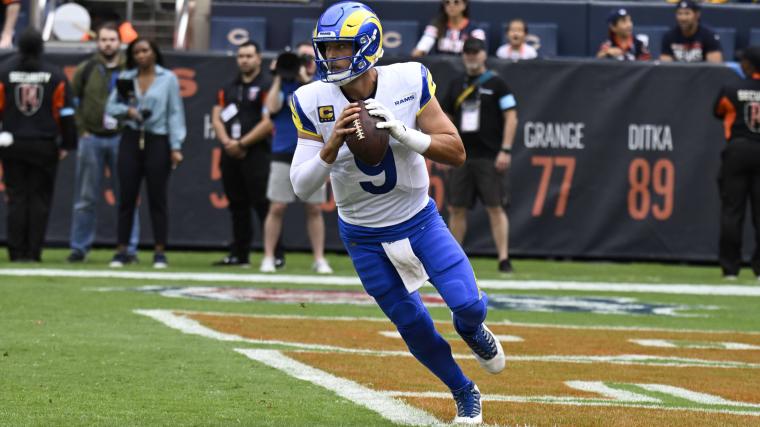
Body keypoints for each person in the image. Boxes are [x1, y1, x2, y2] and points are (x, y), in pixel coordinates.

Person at [290, 3, 505, 423]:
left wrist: (404, 133)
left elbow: (456, 151)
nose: (331, 56)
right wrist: (330, 149)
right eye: (326, 48)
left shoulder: (408, 80)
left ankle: (470, 329)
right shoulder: (311, 100)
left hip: (419, 219)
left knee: (468, 305)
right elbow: (301, 186)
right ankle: (464, 391)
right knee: (411, 323)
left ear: (367, 45)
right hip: (362, 234)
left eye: (341, 47)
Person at [106, 38, 185, 268]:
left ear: (154, 52)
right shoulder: (126, 77)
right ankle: (122, 250)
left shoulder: (168, 78)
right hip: (131, 137)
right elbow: (110, 107)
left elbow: (175, 113)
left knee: (157, 198)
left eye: (145, 51)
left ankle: (159, 251)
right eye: (137, 52)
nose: (141, 55)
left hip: (157, 138)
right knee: (126, 197)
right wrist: (128, 111)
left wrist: (176, 146)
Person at [0, 28, 78, 261]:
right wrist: (67, 143)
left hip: (12, 143)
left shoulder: (4, 72)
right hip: (44, 145)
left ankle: (16, 252)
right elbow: (66, 113)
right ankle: (34, 252)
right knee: (40, 199)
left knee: (16, 197)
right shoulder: (55, 74)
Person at [67, 22, 140, 264]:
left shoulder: (130, 69)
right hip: (92, 138)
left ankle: (129, 248)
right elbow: (73, 100)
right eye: (104, 40)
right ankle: (79, 247)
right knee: (85, 198)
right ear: (97, 42)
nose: (108, 44)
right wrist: (82, 130)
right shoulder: (86, 68)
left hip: (122, 137)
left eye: (112, 40)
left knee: (127, 196)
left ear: (120, 42)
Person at [443, 38, 517, 274]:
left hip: (489, 155)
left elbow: (511, 116)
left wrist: (505, 149)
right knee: (456, 208)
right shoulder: (456, 84)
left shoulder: (497, 83)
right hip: (460, 155)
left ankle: (504, 258)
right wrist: (445, 149)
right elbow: (446, 118)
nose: (471, 56)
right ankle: (454, 260)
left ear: (484, 54)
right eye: (467, 52)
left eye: (475, 52)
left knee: (495, 207)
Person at [260, 43, 332, 274]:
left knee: (314, 208)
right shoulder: (282, 84)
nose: (304, 62)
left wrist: (304, 79)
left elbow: (318, 107)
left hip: (312, 152)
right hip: (283, 150)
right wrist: (278, 76)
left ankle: (319, 258)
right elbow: (271, 109)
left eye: (307, 58)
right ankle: (268, 257)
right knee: (277, 206)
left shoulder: (319, 84)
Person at [211, 40, 284, 268]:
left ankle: (275, 254)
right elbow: (216, 116)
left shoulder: (266, 85)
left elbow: (268, 122)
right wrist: (227, 142)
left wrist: (242, 144)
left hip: (257, 152)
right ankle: (239, 254)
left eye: (249, 56)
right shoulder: (228, 86)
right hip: (230, 153)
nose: (244, 60)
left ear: (258, 58)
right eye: (241, 56)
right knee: (237, 204)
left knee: (263, 204)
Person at [714, 46, 760, 280]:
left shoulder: (731, 89)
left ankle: (730, 268)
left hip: (738, 150)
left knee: (732, 211)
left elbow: (718, 111)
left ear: (749, 64)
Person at [411, 0, 486, 57]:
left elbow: (480, 53)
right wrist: (419, 52)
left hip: (465, 69)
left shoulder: (475, 29)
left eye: (456, 2)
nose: (451, 5)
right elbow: (419, 50)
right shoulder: (435, 26)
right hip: (440, 68)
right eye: (447, 2)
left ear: (464, 5)